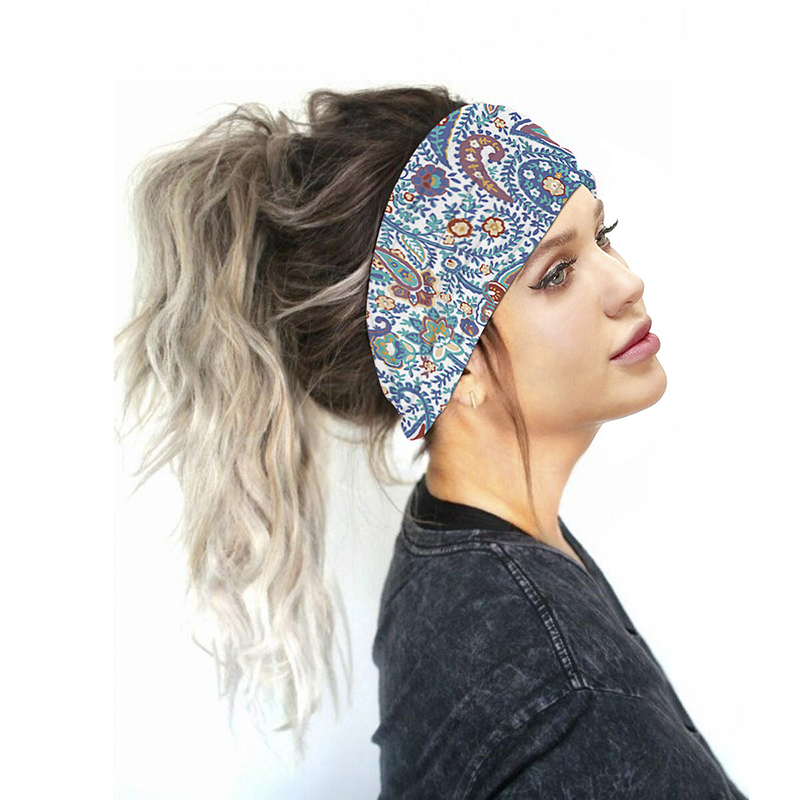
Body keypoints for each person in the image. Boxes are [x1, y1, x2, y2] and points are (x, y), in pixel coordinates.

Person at [115, 85, 748, 796]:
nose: (628, 282)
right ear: (453, 363)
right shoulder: (566, 695)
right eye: (556, 273)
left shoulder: (462, 550)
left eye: (602, 236)